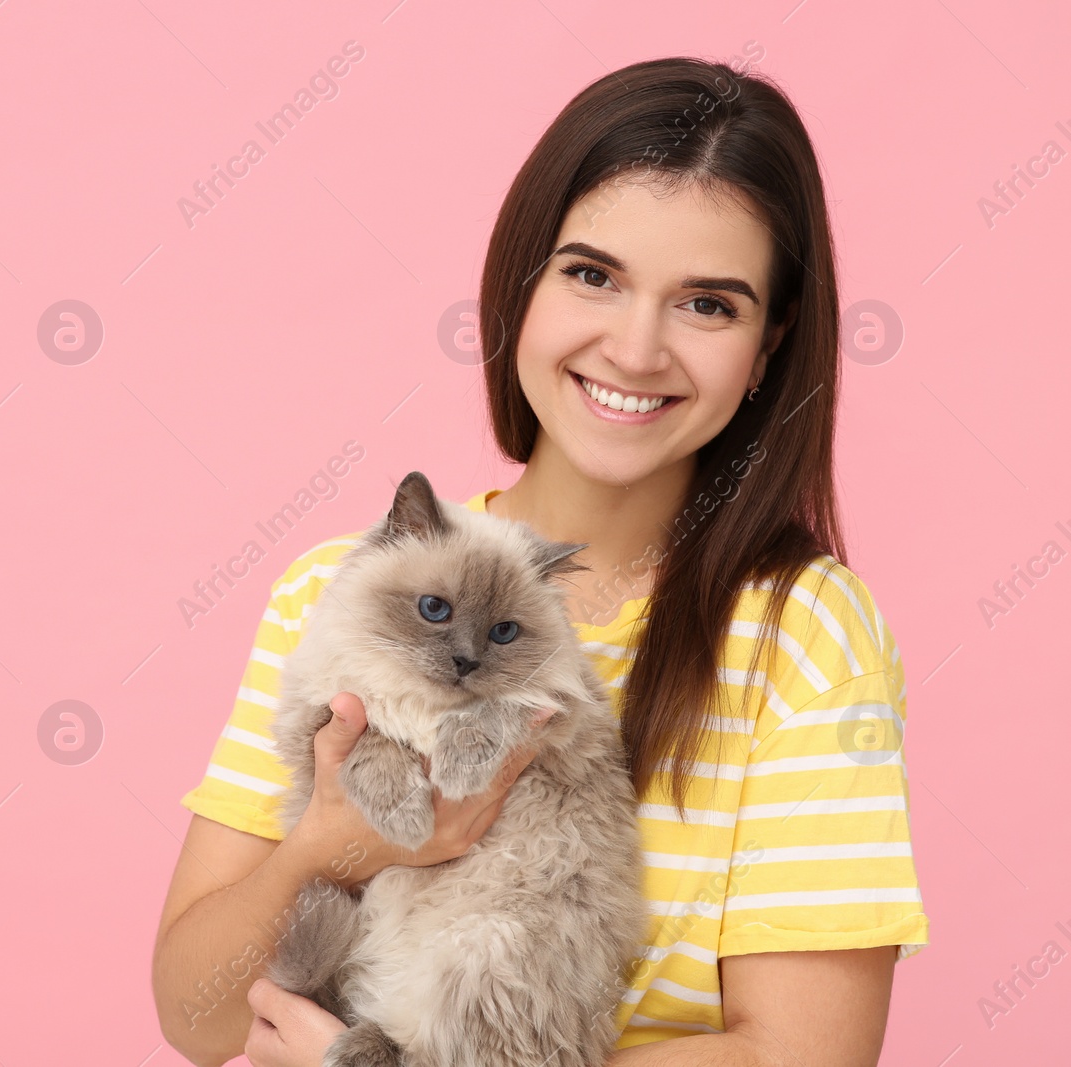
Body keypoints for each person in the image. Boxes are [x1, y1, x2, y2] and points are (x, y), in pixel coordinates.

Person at [151, 56, 929, 1067]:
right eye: (593, 274)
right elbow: (196, 1018)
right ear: (522, 279)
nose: (636, 348)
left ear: (771, 342)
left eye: (708, 304)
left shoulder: (802, 632)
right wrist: (332, 846)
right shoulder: (340, 587)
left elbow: (806, 1054)